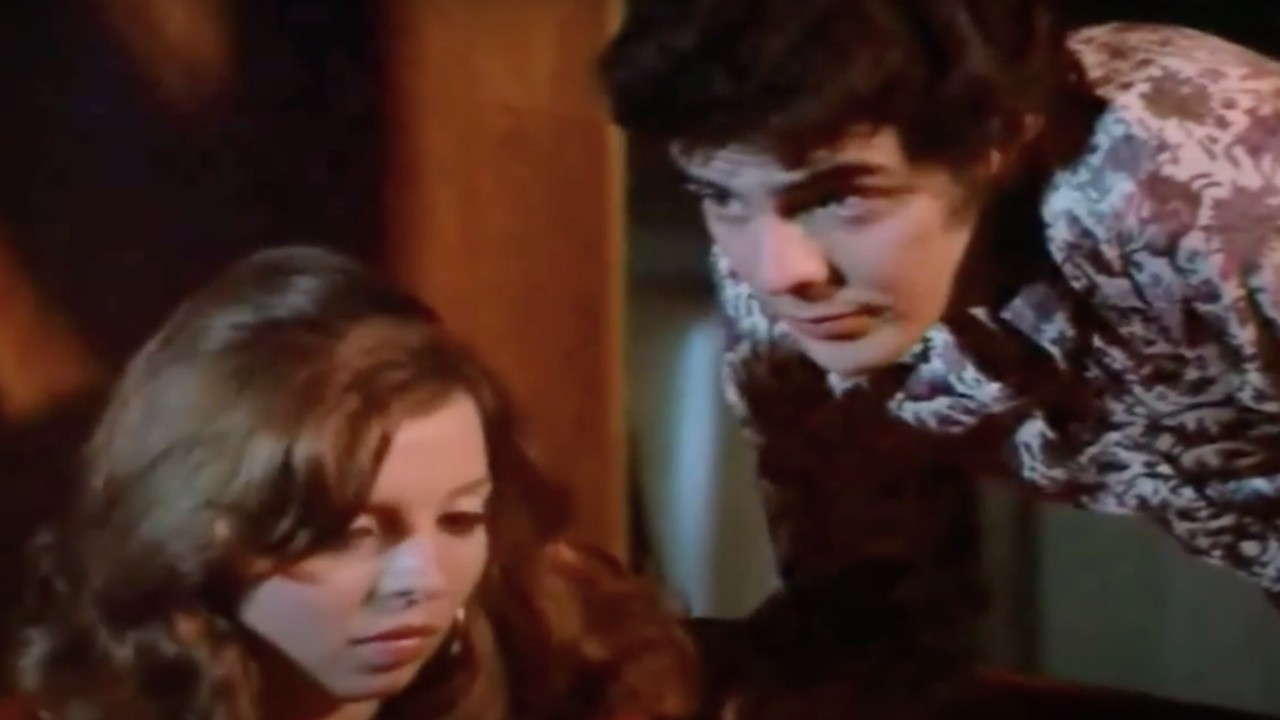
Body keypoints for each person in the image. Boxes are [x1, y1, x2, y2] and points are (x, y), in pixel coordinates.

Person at [599, 0, 1280, 715]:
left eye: (842, 197)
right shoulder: (781, 311)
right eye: (720, 197)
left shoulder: (1212, 192)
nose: (778, 273)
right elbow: (870, 618)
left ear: (997, 147)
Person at [4, 246, 697, 720]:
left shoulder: (576, 682)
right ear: (207, 534)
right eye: (356, 534)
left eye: (460, 521)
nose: (422, 580)